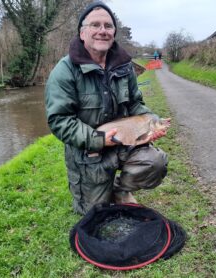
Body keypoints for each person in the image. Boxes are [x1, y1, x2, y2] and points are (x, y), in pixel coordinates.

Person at [45, 1, 169, 215]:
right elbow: (60, 120)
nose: (102, 31)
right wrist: (99, 139)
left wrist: (151, 122)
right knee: (95, 212)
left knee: (156, 162)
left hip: (123, 143)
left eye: (108, 26)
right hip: (89, 152)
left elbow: (135, 104)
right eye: (95, 25)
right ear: (82, 33)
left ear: (113, 33)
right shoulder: (64, 71)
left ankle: (121, 189)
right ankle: (101, 189)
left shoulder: (125, 66)